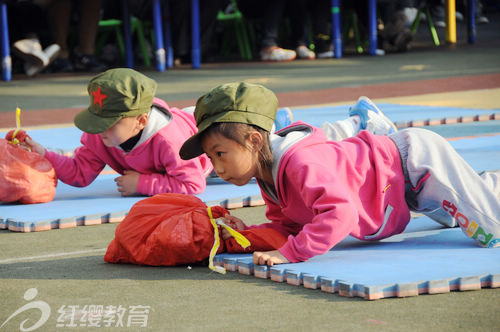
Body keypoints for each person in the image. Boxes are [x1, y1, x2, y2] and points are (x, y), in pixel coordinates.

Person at [179, 81, 500, 266]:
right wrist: (247, 234)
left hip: (415, 164)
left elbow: (339, 213)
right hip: (402, 193)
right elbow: (289, 225)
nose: (216, 168)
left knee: (491, 232)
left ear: (253, 140)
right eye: (210, 157)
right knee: (470, 202)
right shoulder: (268, 176)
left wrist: (290, 253)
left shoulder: (300, 163)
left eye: (220, 154)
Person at [23, 68, 212, 196]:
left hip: (208, 134)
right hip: (173, 161)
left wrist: (143, 184)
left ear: (141, 121)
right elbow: (79, 173)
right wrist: (44, 155)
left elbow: (193, 184)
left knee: (233, 169)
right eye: (97, 120)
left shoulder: (169, 141)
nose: (100, 128)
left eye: (110, 122)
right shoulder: (99, 134)